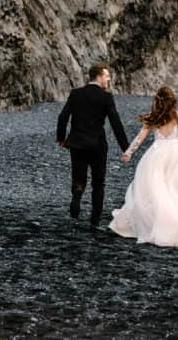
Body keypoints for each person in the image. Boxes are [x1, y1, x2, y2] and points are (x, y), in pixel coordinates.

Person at [109, 86, 178, 247]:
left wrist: (129, 152)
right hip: (176, 154)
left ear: (157, 100)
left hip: (156, 154)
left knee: (154, 189)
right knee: (171, 188)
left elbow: (140, 138)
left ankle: (157, 222)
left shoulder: (153, 117)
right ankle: (170, 223)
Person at [56, 62, 129, 231]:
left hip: (77, 143)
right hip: (97, 144)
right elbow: (116, 123)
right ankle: (94, 221)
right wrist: (126, 147)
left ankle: (77, 196)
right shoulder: (106, 97)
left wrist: (61, 138)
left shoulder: (76, 94)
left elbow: (63, 117)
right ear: (100, 76)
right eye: (107, 76)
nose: (109, 79)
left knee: (79, 176)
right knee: (98, 182)